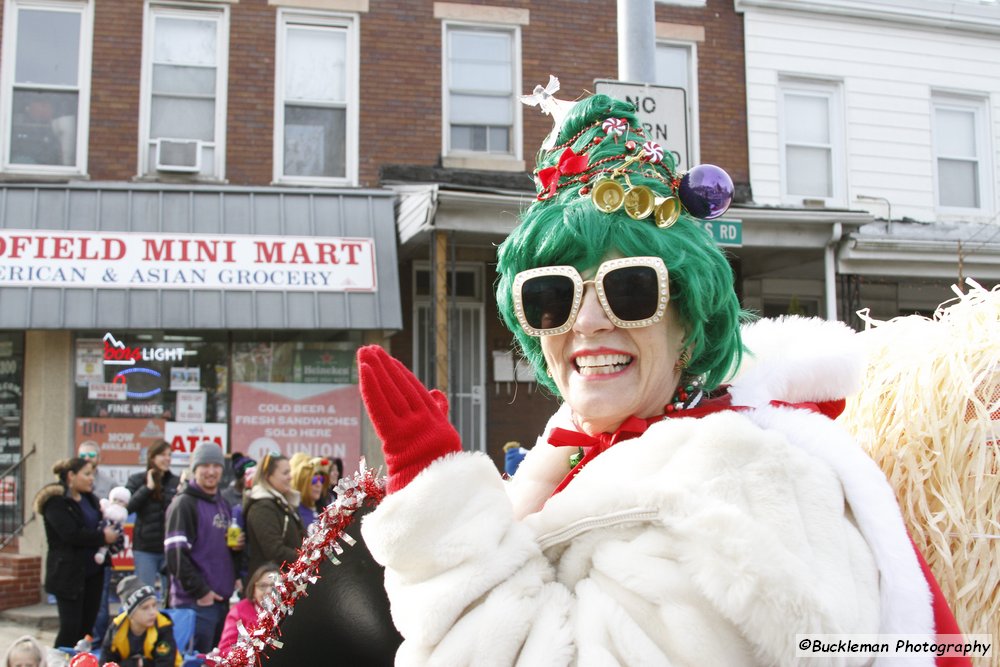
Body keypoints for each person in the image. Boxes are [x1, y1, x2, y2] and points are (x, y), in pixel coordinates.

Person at [356, 91, 965, 665]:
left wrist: (442, 516)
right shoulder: (574, 461)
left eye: (630, 288)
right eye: (551, 296)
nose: (588, 322)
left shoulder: (743, 481)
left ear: (691, 323)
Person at [164, 442, 243, 654]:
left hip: (220, 602)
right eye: (204, 466)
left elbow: (218, 547)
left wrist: (235, 550)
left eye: (216, 466)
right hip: (195, 604)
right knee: (194, 661)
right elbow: (176, 557)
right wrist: (202, 592)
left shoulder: (222, 504)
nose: (211, 471)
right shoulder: (184, 504)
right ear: (194, 469)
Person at [34, 458, 119, 648]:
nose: (91, 479)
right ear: (71, 476)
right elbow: (70, 534)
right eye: (87, 474)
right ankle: (59, 661)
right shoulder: (55, 501)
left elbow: (101, 524)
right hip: (68, 575)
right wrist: (102, 537)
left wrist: (112, 536)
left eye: (92, 474)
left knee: (86, 630)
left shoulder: (91, 499)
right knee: (70, 629)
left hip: (93, 573)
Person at [126, 441, 179, 600]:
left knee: (170, 597)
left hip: (169, 548)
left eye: (169, 455)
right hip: (145, 548)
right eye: (163, 455)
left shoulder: (176, 482)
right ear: (152, 457)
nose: (167, 459)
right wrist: (148, 488)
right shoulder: (137, 480)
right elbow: (127, 508)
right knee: (144, 597)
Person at [77, 441, 114, 644]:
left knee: (100, 600)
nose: (87, 459)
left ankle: (99, 642)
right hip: (78, 550)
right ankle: (81, 641)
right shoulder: (71, 484)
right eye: (83, 456)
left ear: (99, 458)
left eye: (91, 454)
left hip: (100, 550)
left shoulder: (109, 483)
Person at [99, 576, 180, 667]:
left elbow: (166, 664)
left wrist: (141, 664)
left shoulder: (163, 626)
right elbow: (104, 664)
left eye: (154, 605)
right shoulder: (116, 627)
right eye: (145, 608)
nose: (153, 612)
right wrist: (135, 663)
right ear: (131, 613)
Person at [243, 453, 303, 575]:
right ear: (267, 476)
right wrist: (306, 559)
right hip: (269, 583)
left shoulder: (284, 503)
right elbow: (274, 551)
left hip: (285, 578)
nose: (290, 477)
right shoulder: (262, 507)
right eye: (285, 473)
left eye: (290, 472)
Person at [215, 563, 279, 658]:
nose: (269, 591)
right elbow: (225, 650)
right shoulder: (239, 610)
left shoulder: (288, 610)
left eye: (275, 586)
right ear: (253, 589)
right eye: (263, 586)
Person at [288, 453, 323, 527]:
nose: (319, 484)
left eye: (321, 479)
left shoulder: (319, 508)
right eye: (314, 479)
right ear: (300, 480)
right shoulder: (292, 512)